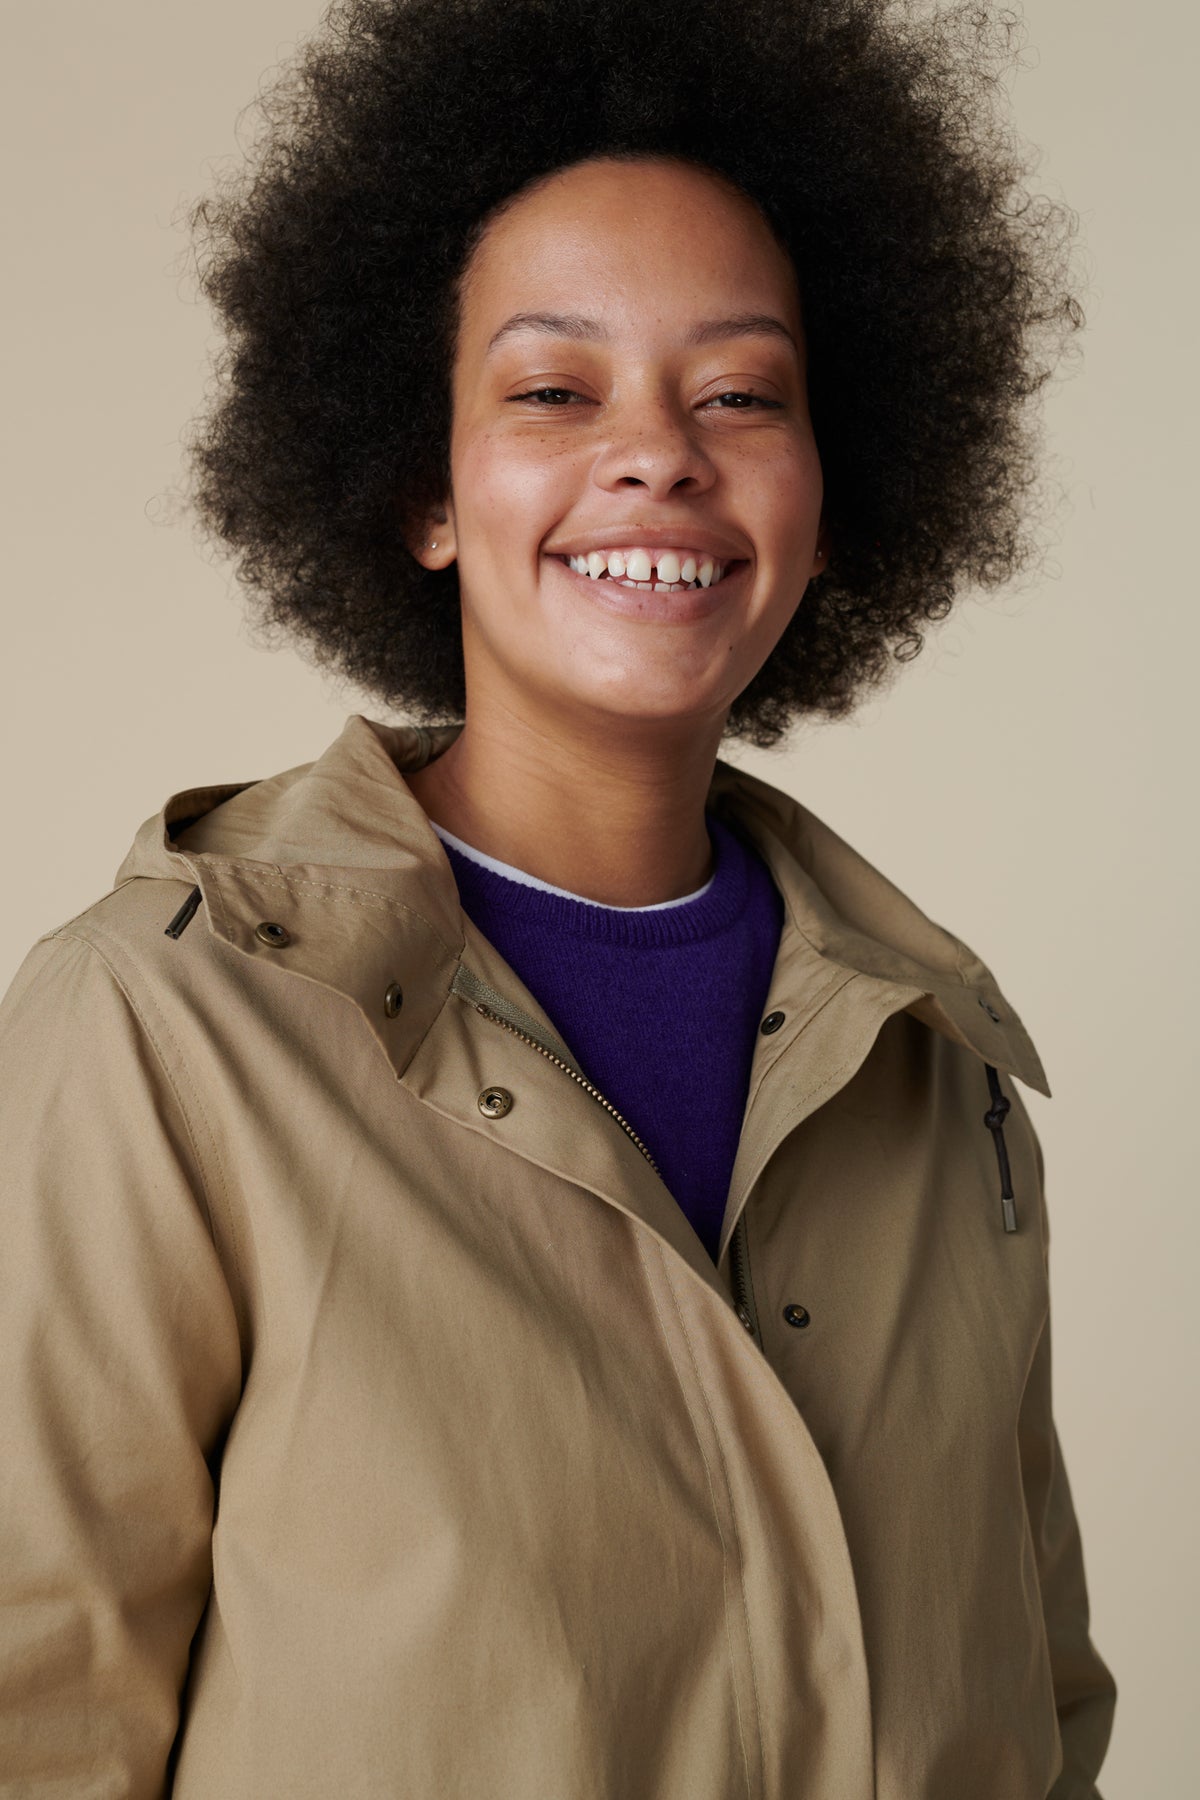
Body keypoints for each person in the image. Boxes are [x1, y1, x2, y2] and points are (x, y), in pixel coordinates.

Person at [0, 0, 1116, 1793]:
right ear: (426, 487)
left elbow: (1035, 1706)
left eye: (742, 390)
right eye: (550, 388)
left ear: (837, 500)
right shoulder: (161, 1026)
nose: (660, 450)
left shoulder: (942, 1071)